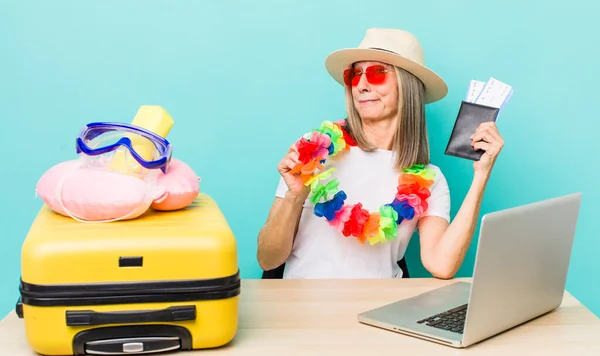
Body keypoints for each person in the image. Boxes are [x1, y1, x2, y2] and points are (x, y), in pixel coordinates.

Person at [256, 28, 504, 279]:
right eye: (355, 74)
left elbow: (442, 265)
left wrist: (481, 175)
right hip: (303, 309)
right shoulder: (314, 153)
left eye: (377, 73)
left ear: (408, 85)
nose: (361, 85)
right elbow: (267, 259)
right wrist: (294, 197)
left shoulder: (429, 179)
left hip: (377, 310)